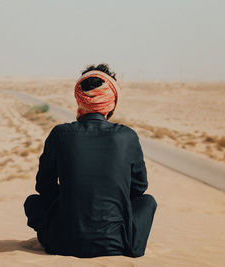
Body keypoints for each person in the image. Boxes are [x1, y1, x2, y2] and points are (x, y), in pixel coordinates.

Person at [23, 64, 157, 258]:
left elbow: (44, 188)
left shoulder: (60, 134)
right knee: (147, 202)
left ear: (80, 99)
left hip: (62, 243)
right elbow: (139, 188)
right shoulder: (127, 136)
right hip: (118, 244)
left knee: (33, 202)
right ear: (112, 101)